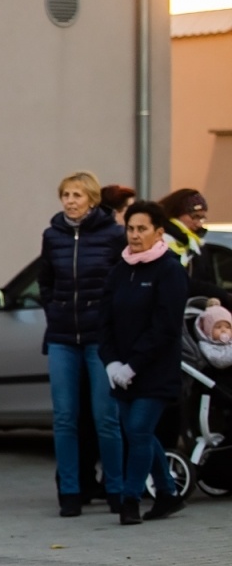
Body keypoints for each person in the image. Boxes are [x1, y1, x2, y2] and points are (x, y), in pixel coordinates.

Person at [38, 171, 126, 517]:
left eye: (77, 195)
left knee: (106, 417)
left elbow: (121, 282)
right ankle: (70, 492)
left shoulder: (113, 235)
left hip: (99, 338)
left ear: (92, 199)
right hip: (62, 337)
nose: (70, 201)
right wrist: (55, 308)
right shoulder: (52, 235)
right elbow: (46, 281)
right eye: (66, 195)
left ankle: (116, 489)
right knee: (64, 418)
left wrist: (109, 318)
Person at [100, 201, 190, 525]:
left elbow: (165, 327)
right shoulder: (120, 270)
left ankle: (130, 499)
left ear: (159, 232)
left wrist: (133, 365)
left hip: (155, 371)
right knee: (140, 434)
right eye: (131, 228)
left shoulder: (170, 270)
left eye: (142, 229)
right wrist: (111, 363)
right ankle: (167, 493)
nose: (135, 235)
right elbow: (105, 322)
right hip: (122, 373)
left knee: (138, 430)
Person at [159, 188, 220, 298]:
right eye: (195, 217)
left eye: (202, 218)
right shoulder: (161, 242)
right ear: (176, 214)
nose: (199, 224)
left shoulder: (196, 245)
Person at [195, 302, 232, 369]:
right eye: (218, 327)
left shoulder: (230, 342)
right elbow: (219, 361)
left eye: (227, 327)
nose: (223, 330)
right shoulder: (205, 345)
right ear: (208, 330)